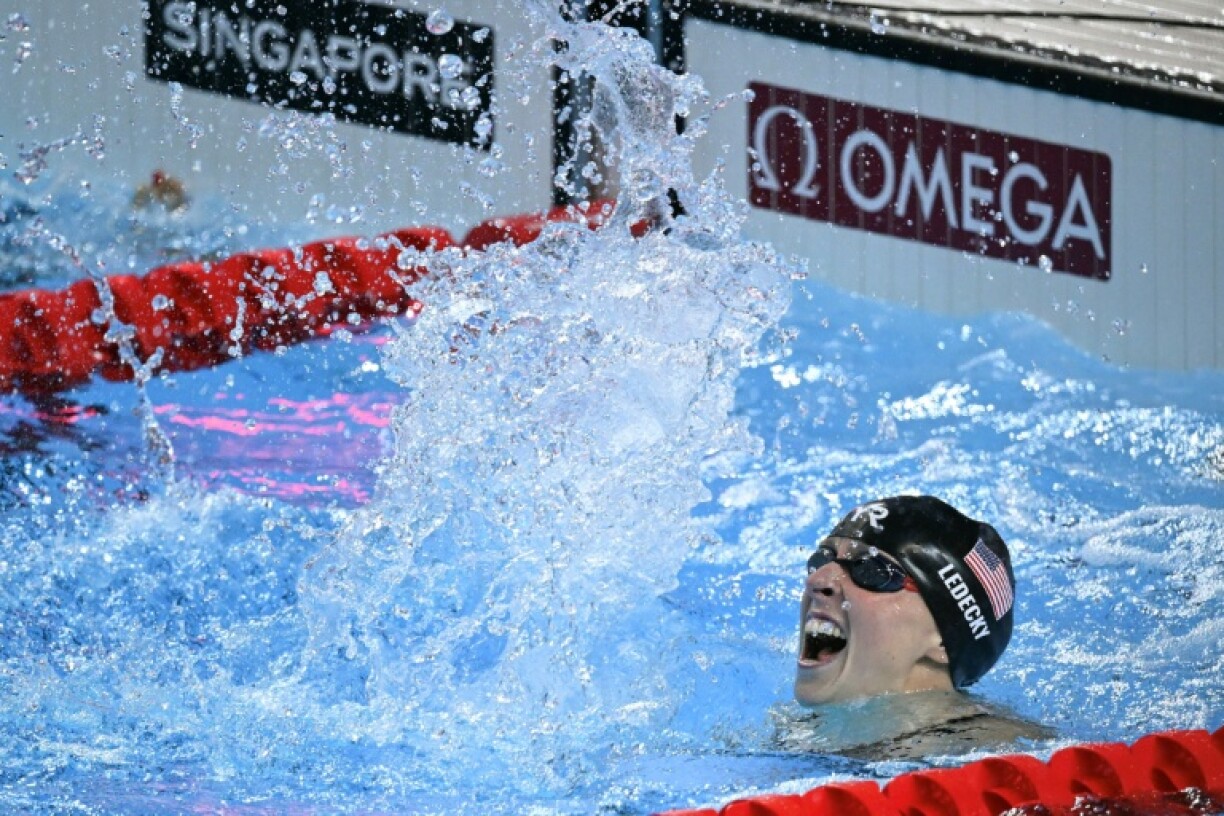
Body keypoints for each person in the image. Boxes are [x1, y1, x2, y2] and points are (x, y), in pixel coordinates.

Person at [782, 495, 1051, 760]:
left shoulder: (1012, 753)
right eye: (822, 560)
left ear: (944, 638)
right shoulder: (793, 739)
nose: (817, 580)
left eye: (870, 570)